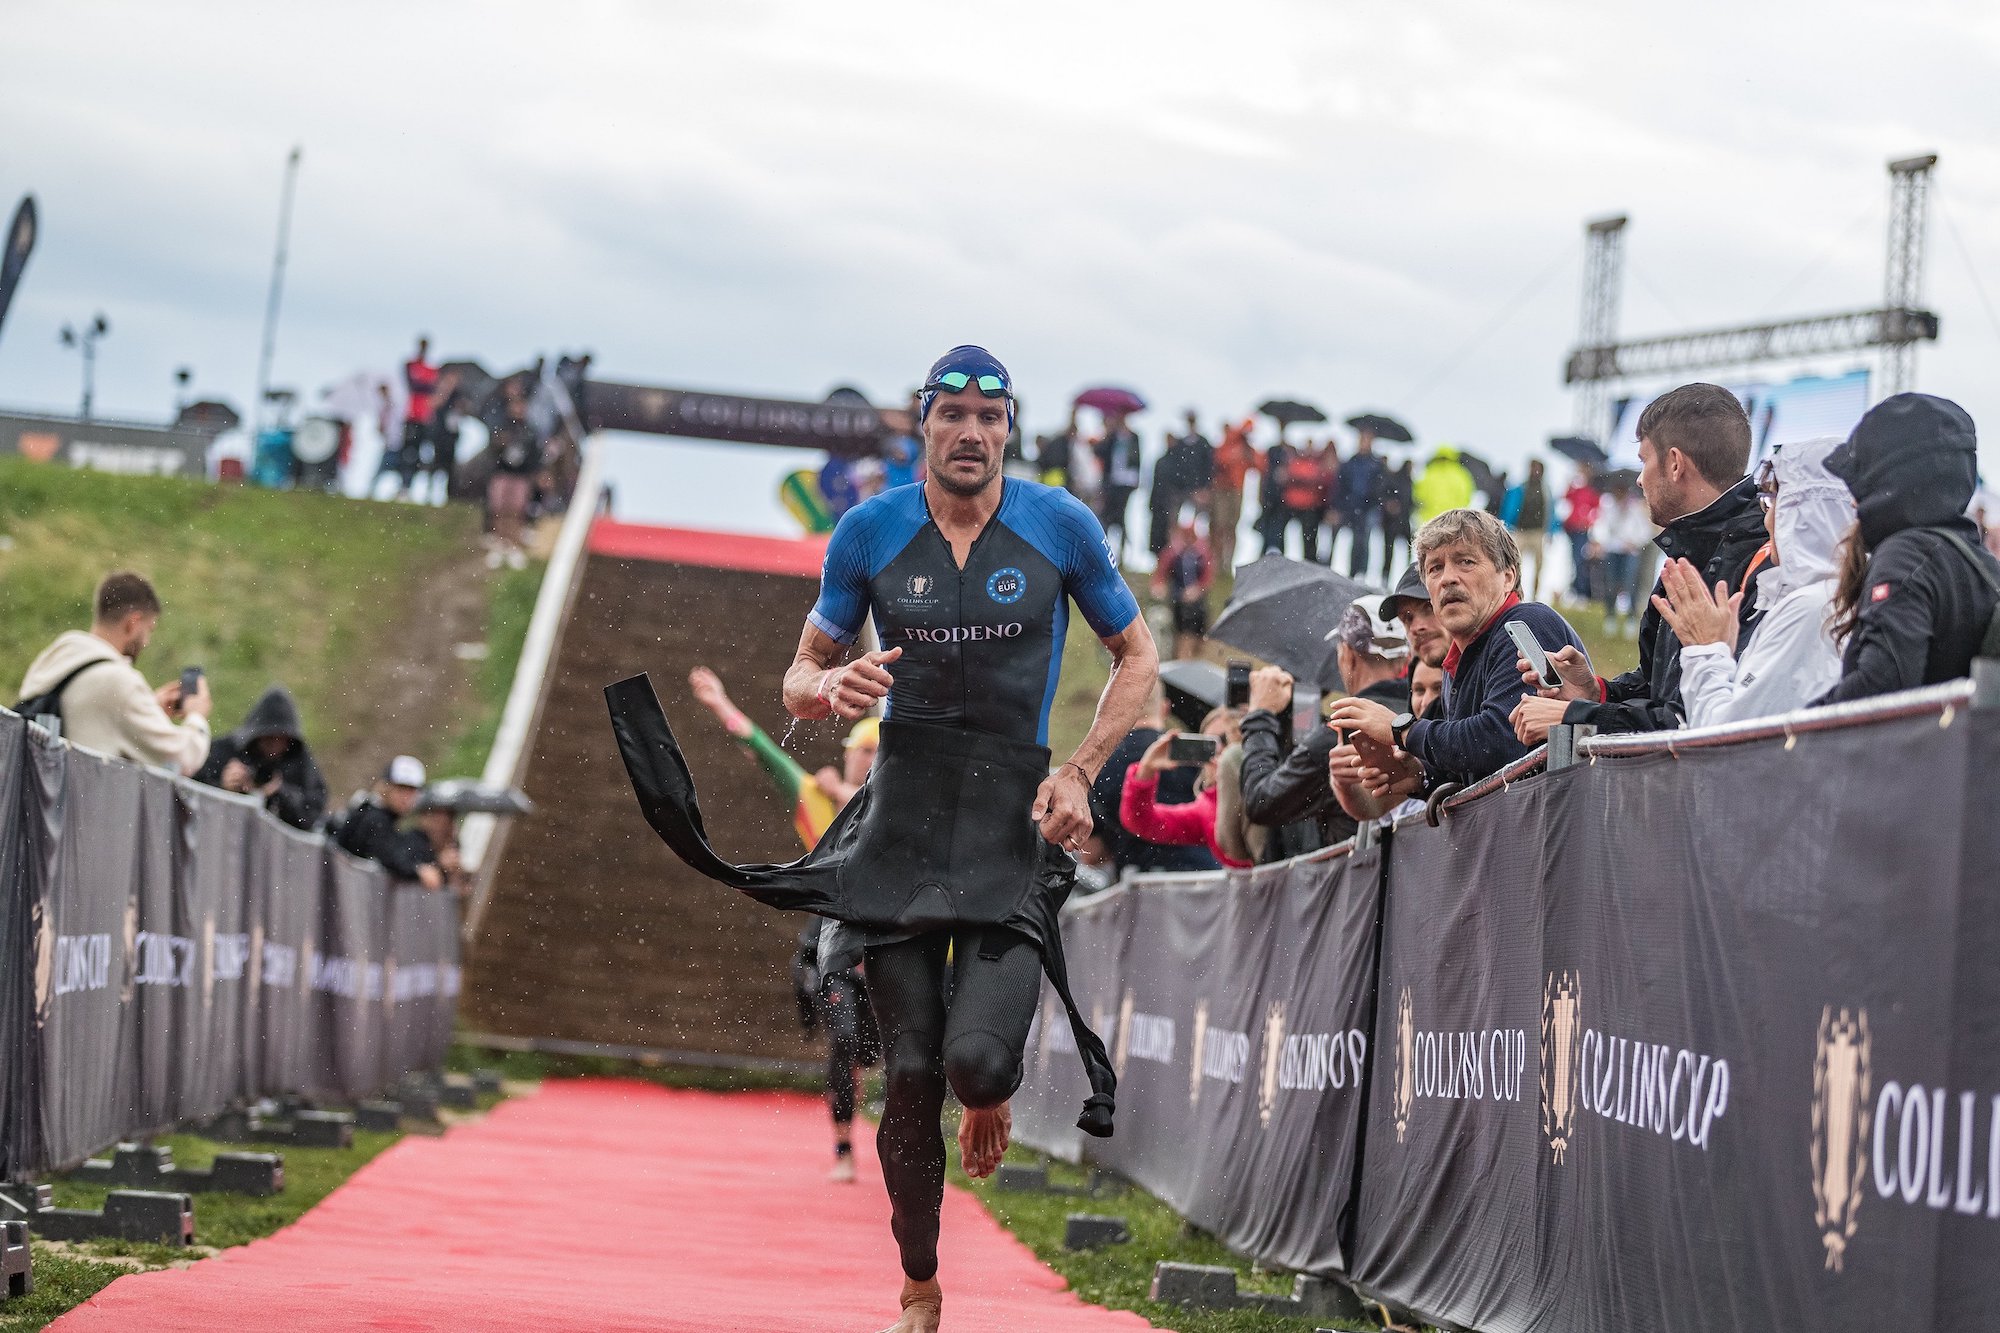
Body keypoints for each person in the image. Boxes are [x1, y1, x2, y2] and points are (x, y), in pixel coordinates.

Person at [610, 346, 1154, 1333]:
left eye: (988, 420)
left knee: (977, 1068)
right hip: (900, 822)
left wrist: (1077, 769)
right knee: (906, 1074)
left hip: (1004, 818)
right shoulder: (867, 531)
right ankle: (918, 1282)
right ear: (923, 427)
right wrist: (821, 690)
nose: (970, 433)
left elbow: (1137, 651)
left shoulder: (1059, 525)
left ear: (1008, 431)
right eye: (951, 415)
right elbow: (799, 672)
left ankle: (984, 1082)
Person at [688, 666, 883, 1179]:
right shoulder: (812, 798)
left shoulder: (902, 809)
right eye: (859, 751)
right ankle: (843, 1148)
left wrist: (846, 796)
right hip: (835, 946)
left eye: (873, 753)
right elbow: (765, 754)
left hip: (890, 946)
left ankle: (887, 1133)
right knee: (843, 1041)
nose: (864, 760)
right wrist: (719, 704)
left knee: (881, 1052)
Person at [1511, 384, 1766, 744]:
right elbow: (1656, 688)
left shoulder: (1758, 564)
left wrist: (1578, 716)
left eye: (1645, 460)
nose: (1639, 478)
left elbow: (1695, 722)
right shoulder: (1690, 550)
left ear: (1675, 464)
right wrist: (1594, 691)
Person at [1329, 509, 1587, 794]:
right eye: (1435, 568)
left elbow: (1499, 739)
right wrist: (1419, 777)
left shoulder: (1525, 623)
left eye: (1465, 561)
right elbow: (1479, 772)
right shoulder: (1457, 661)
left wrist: (1399, 729)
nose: (1447, 579)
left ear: (1507, 577)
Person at [1653, 438, 1854, 726]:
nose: (1768, 519)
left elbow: (1723, 735)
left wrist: (1707, 650)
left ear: (1808, 515)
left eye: (1775, 504)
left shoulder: (1811, 608)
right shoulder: (1836, 597)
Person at [1814, 394, 2000, 703]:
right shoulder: (1979, 563)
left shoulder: (1905, 557)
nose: (1852, 501)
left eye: (1862, 484)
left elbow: (1879, 688)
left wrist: (1791, 730)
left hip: (1918, 751)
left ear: (1890, 481)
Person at [1240, 596, 1411, 856]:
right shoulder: (1422, 717)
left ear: (1348, 656)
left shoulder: (1340, 731)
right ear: (1402, 661)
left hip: (1352, 883)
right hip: (1417, 875)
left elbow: (1261, 801)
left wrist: (1260, 716)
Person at [16, 571, 212, 775]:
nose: (147, 642)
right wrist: (196, 716)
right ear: (133, 623)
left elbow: (89, 713)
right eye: (149, 629)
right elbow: (182, 758)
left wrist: (149, 706)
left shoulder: (56, 658)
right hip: (78, 804)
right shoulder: (120, 683)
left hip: (34, 799)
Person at [1090, 684, 1221, 875]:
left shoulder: (1100, 764)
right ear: (1165, 708)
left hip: (1137, 884)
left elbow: (1091, 852)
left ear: (1120, 711)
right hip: (1203, 877)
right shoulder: (1192, 754)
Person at [1118, 706, 1251, 868]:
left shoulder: (1269, 785)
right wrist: (1146, 769)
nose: (1219, 750)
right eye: (1209, 745)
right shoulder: (1207, 809)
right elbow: (1141, 821)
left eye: (1227, 739)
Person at [194, 685, 328, 830]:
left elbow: (312, 814)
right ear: (256, 736)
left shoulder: (299, 762)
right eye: (269, 738)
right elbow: (190, 793)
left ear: (290, 740)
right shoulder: (227, 750)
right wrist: (222, 787)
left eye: (280, 739)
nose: (274, 746)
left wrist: (278, 792)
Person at [334, 756, 443, 889]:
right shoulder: (373, 817)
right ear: (385, 787)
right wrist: (417, 871)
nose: (406, 798)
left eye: (411, 791)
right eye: (401, 789)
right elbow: (388, 856)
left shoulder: (378, 815)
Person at [485, 379, 541, 569]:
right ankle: (500, 544)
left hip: (521, 476)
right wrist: (499, 444)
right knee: (499, 509)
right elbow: (492, 449)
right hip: (503, 473)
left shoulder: (530, 432)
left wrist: (535, 474)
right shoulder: (501, 427)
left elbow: (535, 455)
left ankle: (514, 544)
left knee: (516, 510)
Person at [1592, 474, 1652, 635]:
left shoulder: (1635, 509)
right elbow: (1601, 526)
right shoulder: (1609, 507)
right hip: (1612, 551)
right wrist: (1601, 541)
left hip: (1630, 552)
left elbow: (1645, 532)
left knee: (1630, 584)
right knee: (1611, 584)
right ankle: (1610, 616)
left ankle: (1631, 617)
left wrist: (1634, 542)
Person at [1150, 411, 1213, 558]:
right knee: (1173, 522)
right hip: (1180, 490)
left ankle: (1200, 555)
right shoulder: (1181, 444)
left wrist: (1204, 488)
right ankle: (1173, 555)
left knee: (1199, 524)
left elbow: (1208, 467)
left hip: (1198, 490)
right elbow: (1176, 467)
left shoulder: (1203, 444)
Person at [1152, 515, 1214, 661]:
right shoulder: (1173, 553)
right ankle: (1182, 658)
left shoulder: (1201, 553)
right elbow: (1161, 573)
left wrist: (1197, 589)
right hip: (1179, 599)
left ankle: (1192, 656)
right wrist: (1159, 587)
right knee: (1184, 632)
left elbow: (1207, 577)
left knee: (1200, 635)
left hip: (1198, 602)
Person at [1209, 418, 1258, 573]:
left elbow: (1258, 465)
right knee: (1220, 526)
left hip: (1237, 490)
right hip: (1221, 490)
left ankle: (1227, 563)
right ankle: (1217, 562)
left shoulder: (1246, 448)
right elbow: (1219, 460)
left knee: (1231, 527)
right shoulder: (1228, 444)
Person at [1095, 411, 1143, 564]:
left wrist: (1137, 478)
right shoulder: (1112, 437)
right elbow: (1099, 452)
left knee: (1121, 517)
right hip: (1112, 482)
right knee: (1107, 517)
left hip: (1126, 483)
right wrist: (1107, 434)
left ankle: (1122, 554)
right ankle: (1106, 552)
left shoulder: (1134, 437)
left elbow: (1138, 458)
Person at [1339, 431, 1387, 580]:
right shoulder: (1351, 462)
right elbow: (1343, 484)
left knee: (1364, 539)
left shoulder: (1376, 464)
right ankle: (1353, 571)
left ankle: (1362, 572)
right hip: (1354, 507)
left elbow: (1380, 486)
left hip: (1369, 507)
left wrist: (1373, 499)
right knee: (1355, 539)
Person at [400, 336, 440, 501]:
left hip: (425, 418)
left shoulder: (432, 370)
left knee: (425, 456)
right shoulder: (410, 365)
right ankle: (405, 487)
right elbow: (415, 385)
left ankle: (426, 491)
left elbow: (429, 388)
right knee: (408, 454)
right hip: (412, 416)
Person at [1505, 460, 1550, 600]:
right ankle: (1515, 594)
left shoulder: (1545, 490)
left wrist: (1551, 530)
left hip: (1538, 532)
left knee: (1539, 567)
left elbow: (1550, 512)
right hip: (1521, 531)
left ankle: (1535, 597)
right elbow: (1510, 507)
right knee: (1515, 564)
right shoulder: (1521, 488)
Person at [1561, 463, 1602, 604]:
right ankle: (1576, 589)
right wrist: (1570, 482)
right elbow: (1566, 498)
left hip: (1582, 530)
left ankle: (1581, 591)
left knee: (1580, 560)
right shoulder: (1577, 490)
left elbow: (1596, 511)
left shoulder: (1591, 492)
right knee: (1574, 559)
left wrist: (1588, 520)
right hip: (1571, 529)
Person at [1412, 445, 1475, 530]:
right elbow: (1467, 495)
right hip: (1453, 518)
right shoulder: (1460, 474)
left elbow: (1418, 495)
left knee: (1431, 541)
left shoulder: (1429, 473)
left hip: (1430, 519)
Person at [1380, 457, 1415, 576]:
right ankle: (1387, 574)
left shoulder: (1408, 480)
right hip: (1394, 521)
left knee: (1408, 548)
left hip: (1402, 520)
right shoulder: (1399, 480)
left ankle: (1408, 573)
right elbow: (1387, 496)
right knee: (1389, 550)